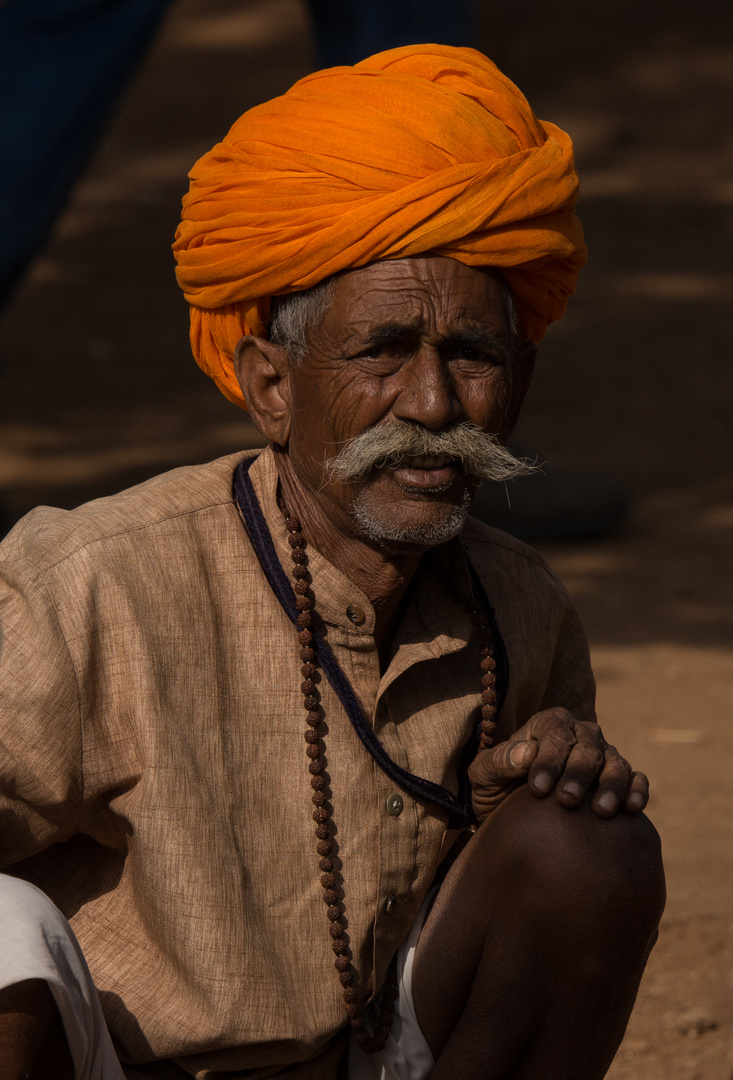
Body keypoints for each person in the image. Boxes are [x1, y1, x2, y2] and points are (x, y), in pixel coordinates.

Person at [0, 46, 664, 1080]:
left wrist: (516, 808)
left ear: (521, 380)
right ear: (271, 386)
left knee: (586, 838)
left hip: (375, 1055)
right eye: (382, 351)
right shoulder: (94, 582)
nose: (435, 407)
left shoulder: (519, 608)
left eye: (475, 357)